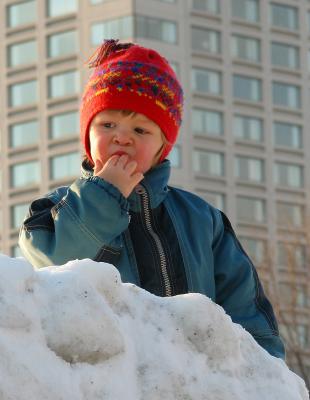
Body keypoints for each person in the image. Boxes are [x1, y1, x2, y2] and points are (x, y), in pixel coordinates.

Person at [19, 39, 285, 360]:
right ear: (87, 134)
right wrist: (104, 196)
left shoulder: (202, 221)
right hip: (107, 379)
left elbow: (245, 309)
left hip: (191, 382)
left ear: (163, 146)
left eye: (141, 130)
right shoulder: (55, 212)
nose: (122, 137)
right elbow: (53, 263)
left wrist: (263, 377)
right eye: (108, 124)